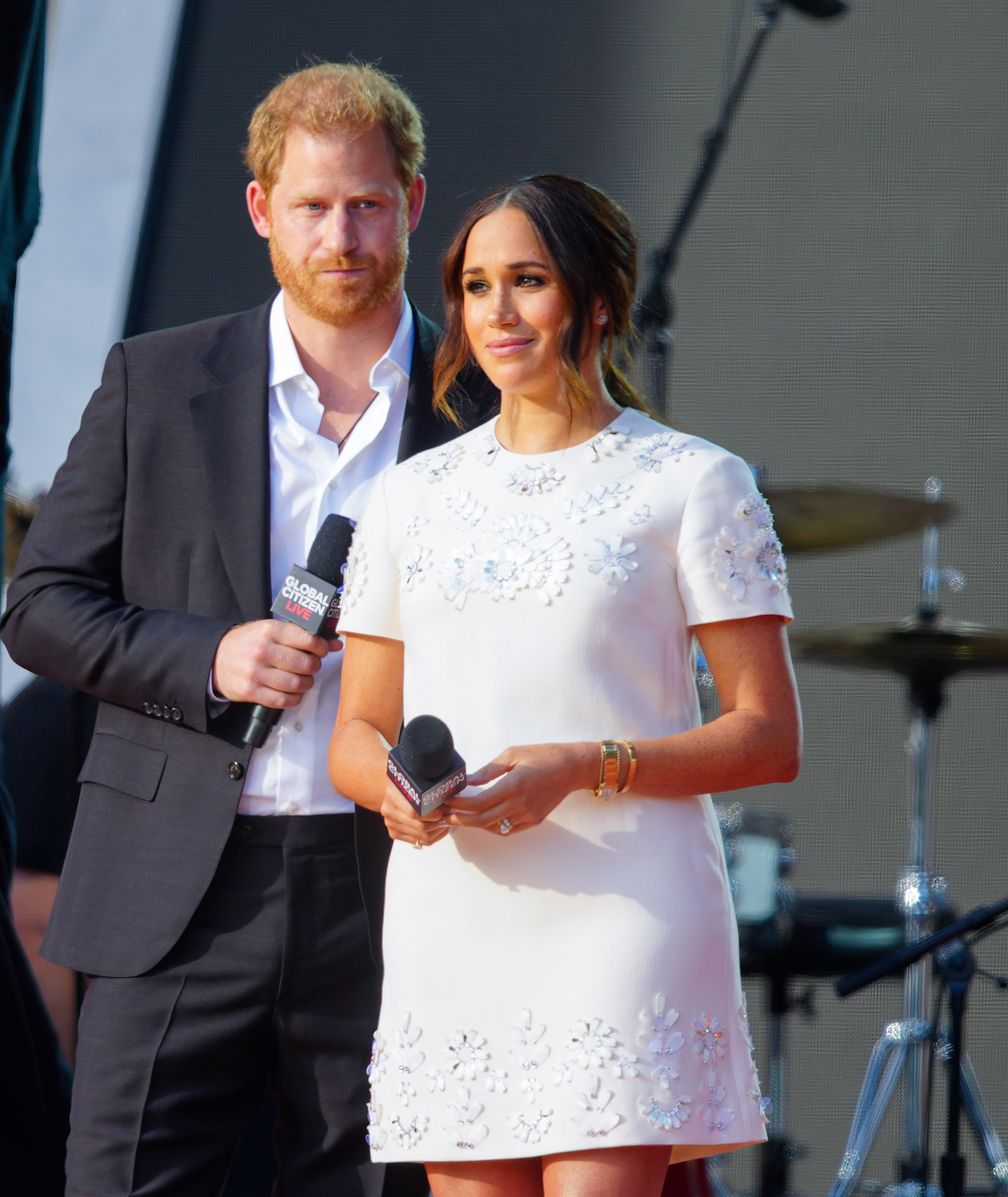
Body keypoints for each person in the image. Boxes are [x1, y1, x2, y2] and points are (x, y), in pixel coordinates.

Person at [0, 63, 492, 1197]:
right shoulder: (156, 380)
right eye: (313, 206)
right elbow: (41, 606)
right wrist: (206, 657)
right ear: (262, 210)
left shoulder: (477, 407)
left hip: (395, 881)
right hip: (174, 887)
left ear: (413, 205)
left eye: (368, 204)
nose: (342, 235)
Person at [328, 174, 802, 1197]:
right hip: (453, 915)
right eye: (474, 285)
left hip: (625, 912)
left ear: (592, 300)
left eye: (526, 281)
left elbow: (766, 737)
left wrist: (585, 763)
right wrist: (394, 797)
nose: (494, 312)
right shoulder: (409, 499)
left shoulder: (690, 481)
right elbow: (354, 731)